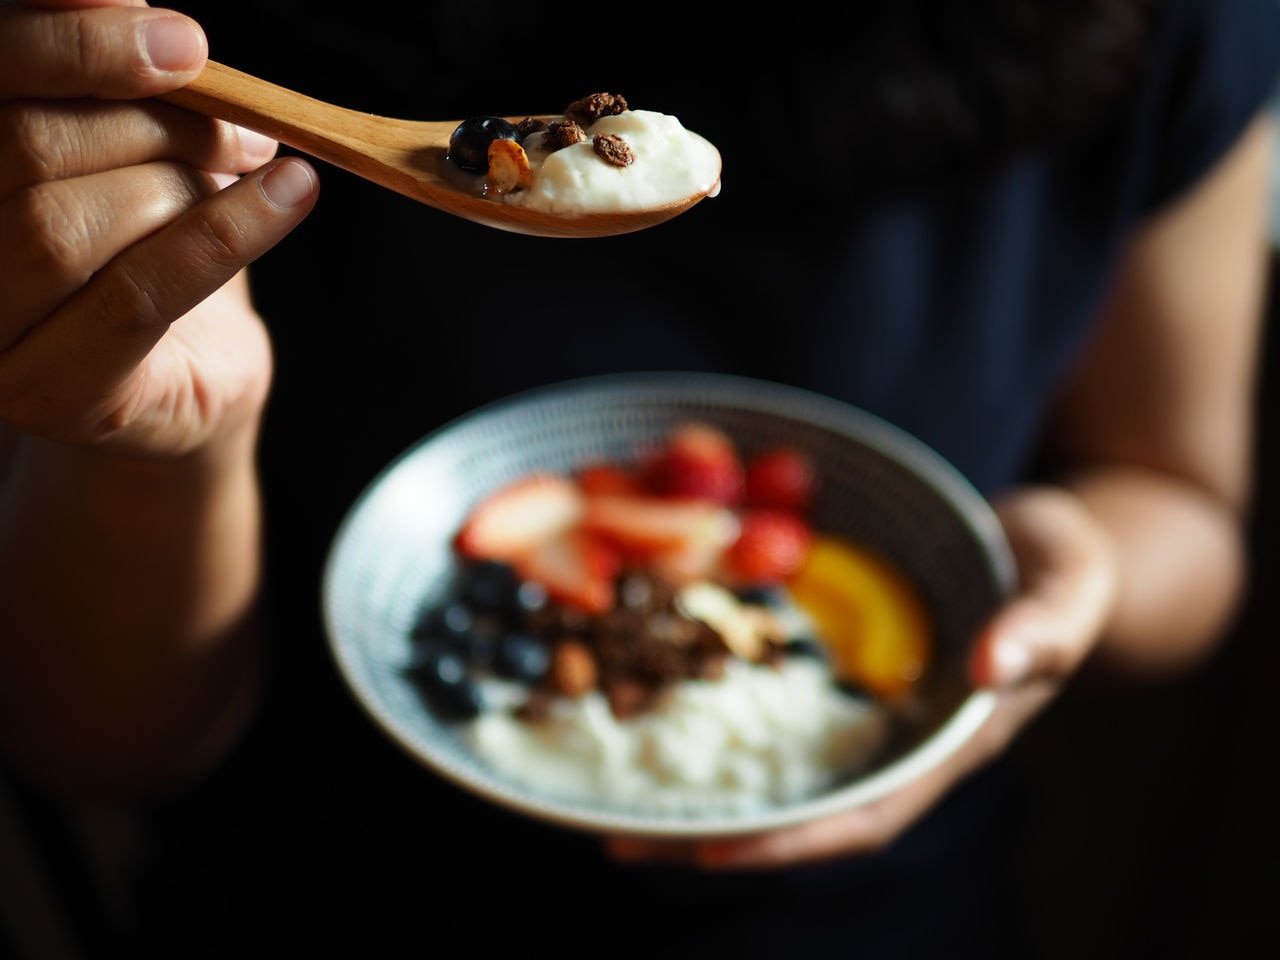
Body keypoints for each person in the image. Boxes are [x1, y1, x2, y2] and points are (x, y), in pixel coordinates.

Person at [1, 0, 1277, 956]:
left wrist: (1082, 565)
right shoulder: (204, 53)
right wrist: (178, 441)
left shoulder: (1167, 25)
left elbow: (1178, 501)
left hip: (872, 919)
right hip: (318, 897)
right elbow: (95, 744)